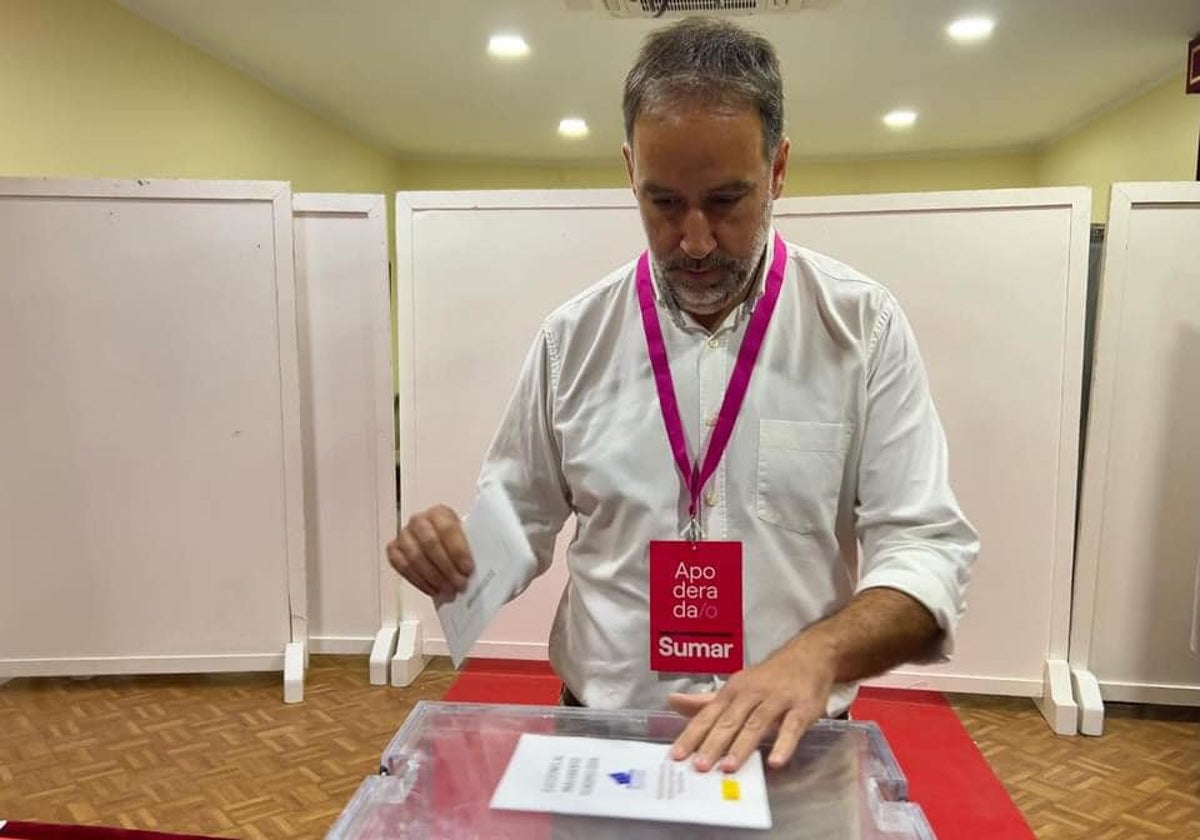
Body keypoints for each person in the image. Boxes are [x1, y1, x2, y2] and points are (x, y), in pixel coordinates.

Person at [387, 16, 978, 775]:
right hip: (601, 742)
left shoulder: (860, 327)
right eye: (664, 204)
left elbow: (927, 549)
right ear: (630, 169)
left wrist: (817, 656)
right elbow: (518, 521)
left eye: (728, 201)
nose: (695, 240)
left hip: (790, 749)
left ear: (780, 170)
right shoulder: (574, 338)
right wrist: (455, 555)